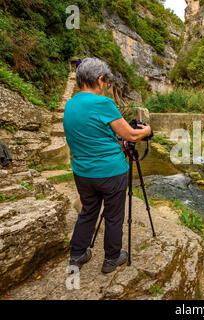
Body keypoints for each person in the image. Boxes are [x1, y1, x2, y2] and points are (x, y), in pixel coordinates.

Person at [63, 58, 152, 273]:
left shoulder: (70, 104)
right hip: (110, 172)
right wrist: (147, 131)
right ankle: (112, 259)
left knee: (88, 212)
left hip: (82, 172)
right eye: (107, 83)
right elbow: (131, 135)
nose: (107, 87)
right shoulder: (103, 103)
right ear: (100, 79)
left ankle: (77, 254)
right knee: (114, 216)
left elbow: (90, 134)